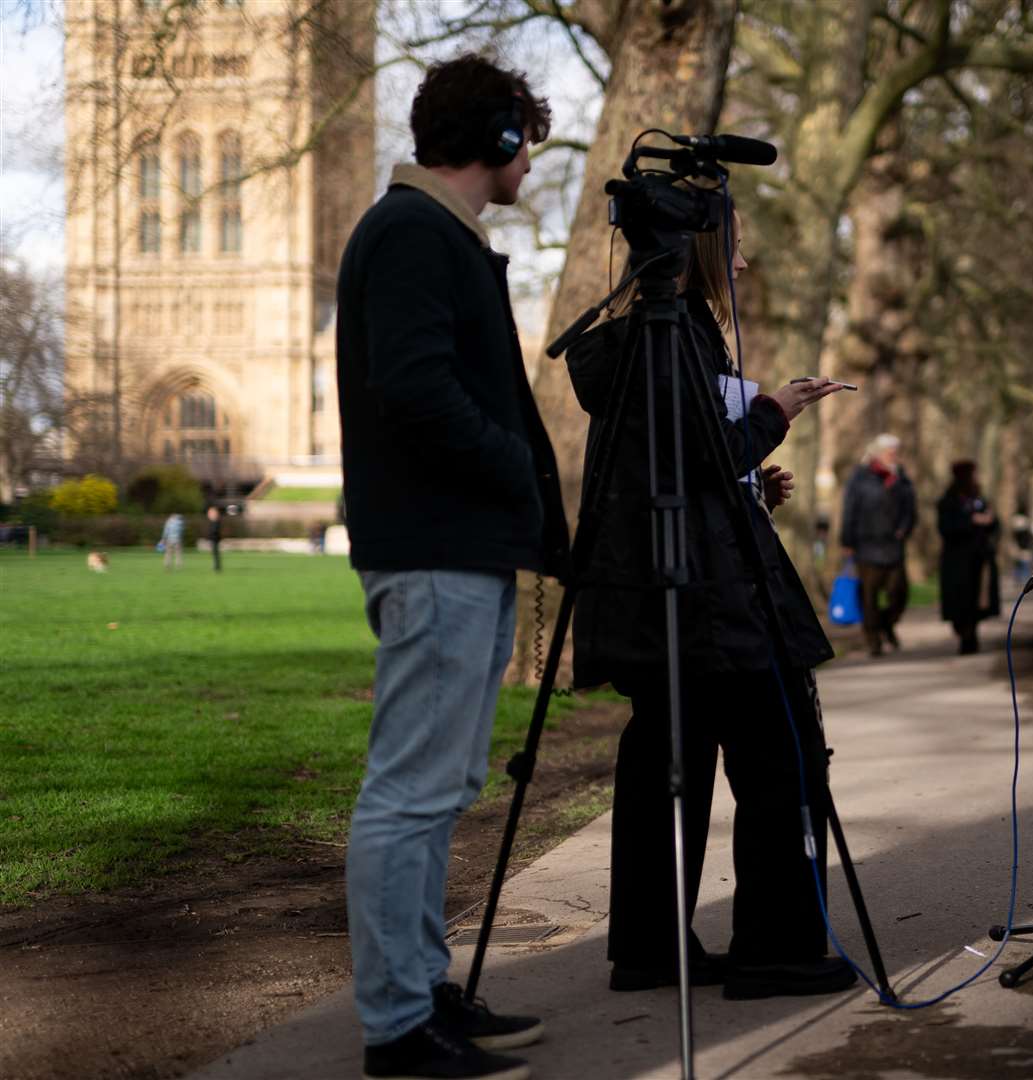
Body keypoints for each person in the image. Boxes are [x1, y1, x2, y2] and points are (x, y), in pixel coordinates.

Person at [334, 55, 570, 1080]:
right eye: (528, 141)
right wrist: (515, 462)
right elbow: (417, 389)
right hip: (433, 546)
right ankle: (396, 1026)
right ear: (502, 138)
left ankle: (420, 991)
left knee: (438, 786)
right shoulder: (413, 233)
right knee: (409, 792)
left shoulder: (434, 234)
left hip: (455, 547)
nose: (533, 164)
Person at [565, 206, 856, 1000]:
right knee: (777, 751)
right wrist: (773, 415)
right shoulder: (673, 333)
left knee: (668, 757)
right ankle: (779, 947)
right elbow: (697, 451)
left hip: (666, 588)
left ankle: (652, 946)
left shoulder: (642, 334)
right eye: (737, 244)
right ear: (706, 249)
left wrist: (748, 484)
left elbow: (666, 466)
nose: (746, 262)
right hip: (707, 603)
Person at [839, 434, 916, 656]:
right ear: (877, 453)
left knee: (899, 593)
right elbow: (849, 509)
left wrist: (905, 529)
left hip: (894, 545)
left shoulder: (901, 477)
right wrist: (847, 540)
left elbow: (910, 508)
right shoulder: (860, 477)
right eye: (890, 451)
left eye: (895, 451)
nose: (894, 455)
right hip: (866, 544)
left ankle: (887, 624)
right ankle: (873, 639)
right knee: (869, 596)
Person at [936, 460, 1000, 655]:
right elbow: (945, 528)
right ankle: (964, 634)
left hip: (979, 559)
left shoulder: (979, 499)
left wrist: (989, 521)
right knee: (960, 603)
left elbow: (995, 524)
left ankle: (970, 635)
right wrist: (971, 521)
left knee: (977, 602)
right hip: (957, 561)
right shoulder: (948, 501)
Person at [206, 505, 223, 572]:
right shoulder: (214, 522)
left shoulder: (216, 522)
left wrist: (211, 536)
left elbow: (214, 531)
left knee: (215, 554)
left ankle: (217, 567)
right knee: (214, 554)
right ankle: (216, 566)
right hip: (213, 539)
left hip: (215, 539)